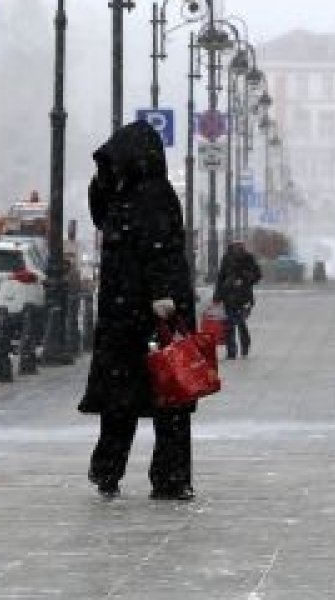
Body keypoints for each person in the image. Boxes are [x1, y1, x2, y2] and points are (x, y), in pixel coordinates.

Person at [78, 120, 197, 500]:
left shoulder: (155, 195)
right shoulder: (122, 194)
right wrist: (102, 183)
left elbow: (163, 250)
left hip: (152, 314)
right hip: (123, 314)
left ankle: (167, 476)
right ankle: (117, 471)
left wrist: (164, 296)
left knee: (164, 396)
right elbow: (101, 217)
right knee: (130, 398)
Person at [214, 240, 262, 359]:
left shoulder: (248, 258)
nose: (239, 249)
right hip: (229, 296)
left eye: (240, 247)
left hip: (244, 297)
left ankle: (245, 345)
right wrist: (217, 296)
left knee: (240, 322)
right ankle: (231, 351)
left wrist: (246, 277)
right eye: (236, 247)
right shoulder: (226, 258)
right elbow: (221, 277)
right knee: (229, 324)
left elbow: (257, 275)